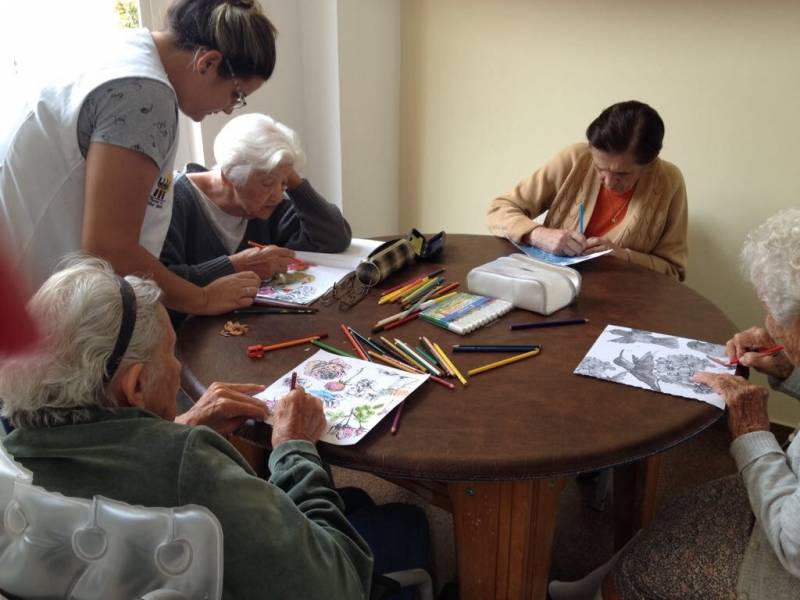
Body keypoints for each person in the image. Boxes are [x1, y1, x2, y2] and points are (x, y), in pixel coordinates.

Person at [0, 257, 373, 599]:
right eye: (171, 352)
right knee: (395, 521)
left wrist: (177, 424)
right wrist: (295, 447)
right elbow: (339, 585)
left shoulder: (10, 455)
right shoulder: (190, 463)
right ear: (137, 386)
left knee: (357, 502)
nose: (178, 369)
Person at [550, 207, 800, 599]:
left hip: (781, 569)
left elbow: (792, 547)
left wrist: (753, 434)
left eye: (772, 313)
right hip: (788, 497)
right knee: (677, 510)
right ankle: (592, 588)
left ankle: (614, 587)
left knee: (648, 566)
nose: (768, 325)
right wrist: (790, 366)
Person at [0, 0, 276, 315]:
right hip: (29, 292)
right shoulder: (144, 97)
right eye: (236, 95)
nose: (229, 109)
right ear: (208, 63)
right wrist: (203, 299)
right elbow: (110, 248)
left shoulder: (127, 52)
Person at [486, 100, 688, 281]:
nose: (608, 182)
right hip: (551, 287)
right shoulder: (575, 159)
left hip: (625, 304)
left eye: (622, 174)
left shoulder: (669, 182)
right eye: (600, 168)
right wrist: (538, 234)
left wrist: (625, 257)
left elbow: (673, 271)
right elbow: (499, 209)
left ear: (650, 164)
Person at [160, 113, 352, 287]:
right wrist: (235, 266)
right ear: (229, 176)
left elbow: (335, 238)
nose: (278, 196)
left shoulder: (267, 207)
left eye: (283, 184)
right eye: (268, 184)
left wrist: (288, 175)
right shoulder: (172, 200)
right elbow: (157, 284)